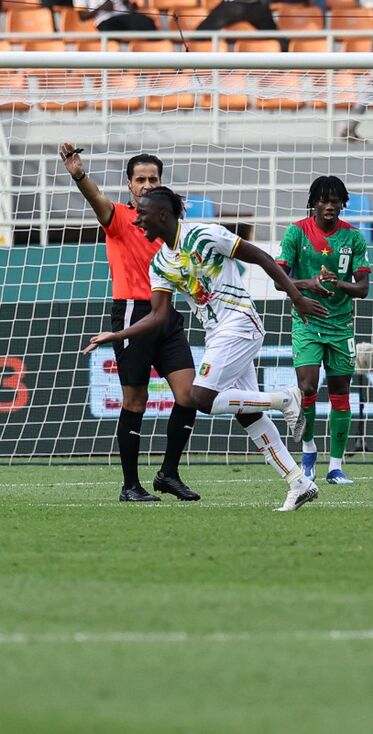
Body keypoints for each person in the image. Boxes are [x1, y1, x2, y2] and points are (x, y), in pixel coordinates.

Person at [82, 187, 329, 512]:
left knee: (200, 398)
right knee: (249, 415)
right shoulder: (160, 264)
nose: (137, 219)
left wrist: (297, 298)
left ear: (161, 215)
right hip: (218, 335)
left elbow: (263, 258)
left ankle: (285, 398)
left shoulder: (205, 235)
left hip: (240, 323)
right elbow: (158, 315)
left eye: (142, 213)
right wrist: (119, 335)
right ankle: (298, 481)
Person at [60, 144, 199, 503]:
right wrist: (79, 174)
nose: (147, 185)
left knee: (189, 395)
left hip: (166, 315)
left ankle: (168, 473)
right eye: (141, 179)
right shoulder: (119, 217)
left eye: (153, 178)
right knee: (134, 401)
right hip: (132, 314)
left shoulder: (172, 227)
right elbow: (96, 200)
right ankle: (130, 486)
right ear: (129, 185)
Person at [276, 176, 370, 485]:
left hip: (341, 324)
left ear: (343, 203)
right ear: (313, 202)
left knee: (341, 392)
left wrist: (337, 283)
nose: (329, 205)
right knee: (306, 388)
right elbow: (280, 280)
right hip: (307, 321)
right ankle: (308, 452)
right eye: (323, 200)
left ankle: (336, 466)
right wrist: (308, 285)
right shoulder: (296, 232)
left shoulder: (353, 238)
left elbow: (363, 288)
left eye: (335, 200)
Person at [74, 0, 158, 32]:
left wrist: (131, 7)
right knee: (108, 28)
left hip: (125, 16)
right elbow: (82, 16)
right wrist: (101, 8)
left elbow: (126, 3)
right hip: (104, 20)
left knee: (148, 22)